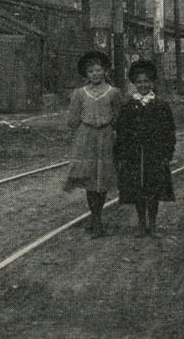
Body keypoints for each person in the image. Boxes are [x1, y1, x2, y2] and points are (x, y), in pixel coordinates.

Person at [64, 50, 125, 238]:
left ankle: (97, 216)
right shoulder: (79, 93)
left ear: (105, 71)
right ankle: (96, 218)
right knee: (90, 179)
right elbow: (72, 120)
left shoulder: (114, 93)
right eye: (91, 71)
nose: (95, 74)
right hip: (86, 138)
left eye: (98, 70)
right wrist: (83, 127)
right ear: (86, 74)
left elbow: (119, 117)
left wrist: (111, 130)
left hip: (106, 137)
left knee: (103, 178)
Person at [115, 60, 176, 237]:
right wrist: (122, 154)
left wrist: (167, 153)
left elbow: (169, 131)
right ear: (134, 84)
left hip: (154, 154)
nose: (143, 85)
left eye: (146, 82)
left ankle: (153, 224)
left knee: (153, 190)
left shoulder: (160, 105)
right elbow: (122, 132)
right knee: (138, 191)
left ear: (152, 83)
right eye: (139, 82)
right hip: (134, 155)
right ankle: (141, 224)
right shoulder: (128, 107)